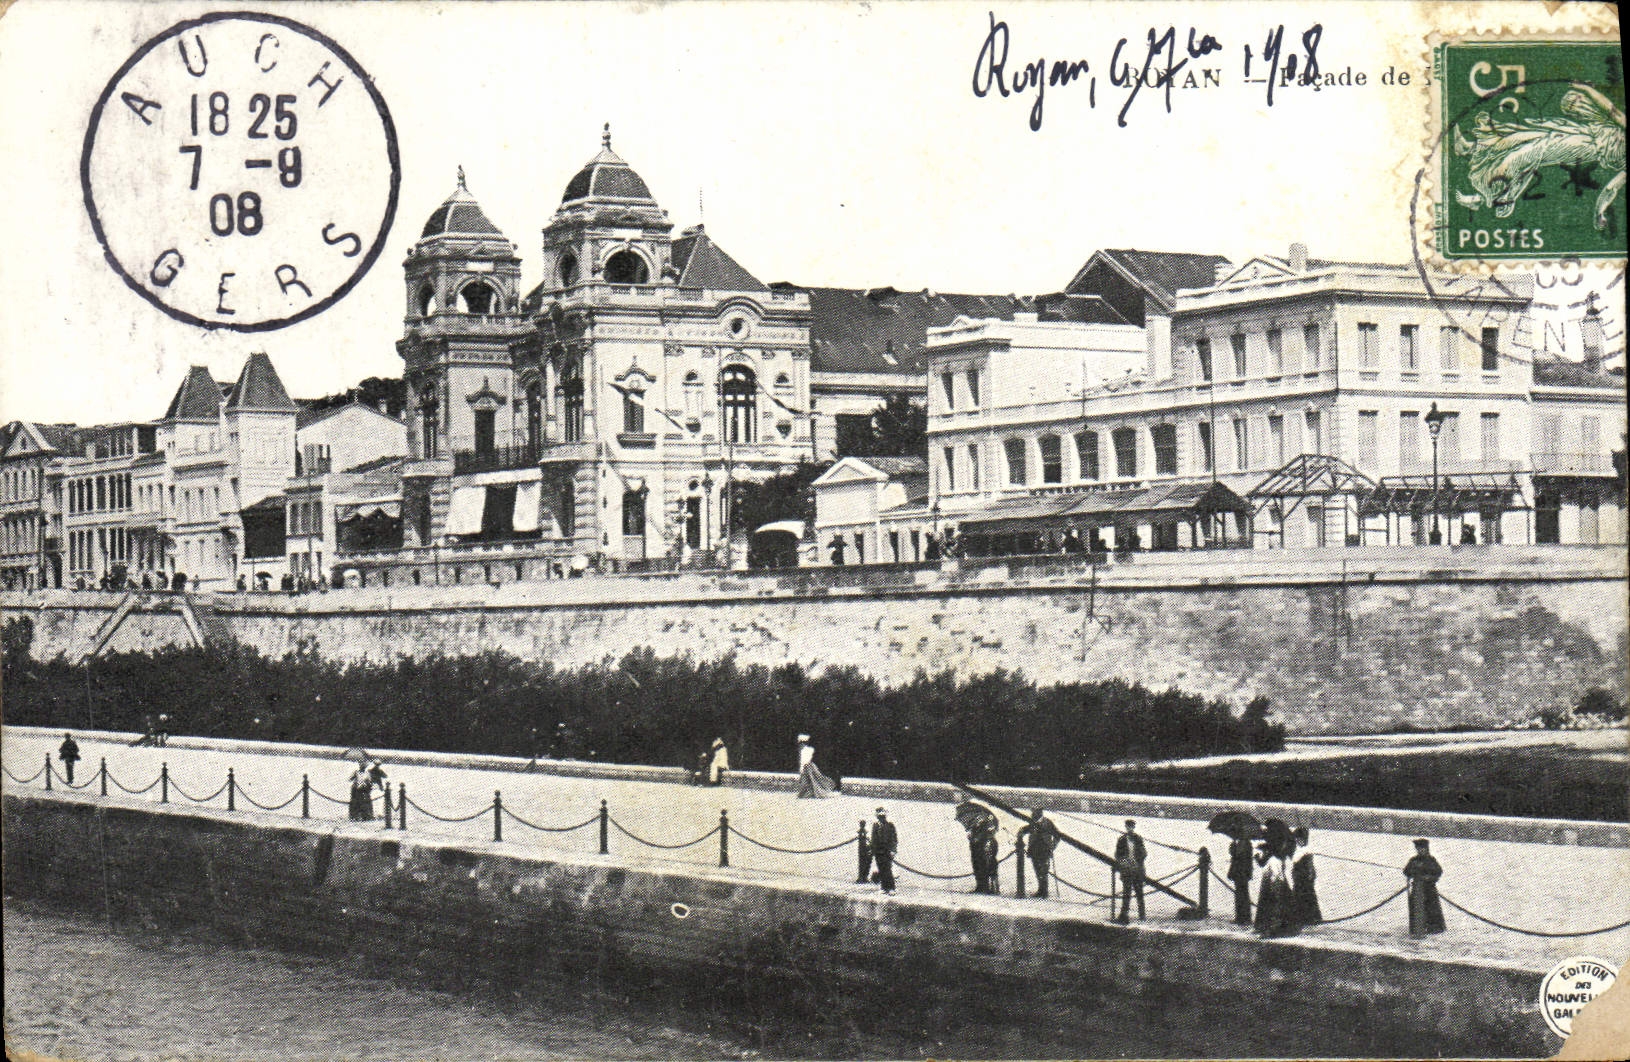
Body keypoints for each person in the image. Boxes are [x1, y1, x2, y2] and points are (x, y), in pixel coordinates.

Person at [1403, 838, 1446, 936]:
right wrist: (1412, 872)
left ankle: (1434, 929)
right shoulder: (1413, 860)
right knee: (1417, 910)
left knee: (1432, 910)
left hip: (1429, 890)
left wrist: (1429, 877)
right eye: (1418, 849)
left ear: (1427, 849)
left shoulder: (1431, 860)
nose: (1420, 850)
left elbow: (1438, 872)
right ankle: (1417, 928)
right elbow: (1406, 871)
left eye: (1422, 848)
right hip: (1417, 890)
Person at [1016, 808, 1059, 899]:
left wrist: (1052, 846)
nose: (1032, 815)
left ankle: (1044, 892)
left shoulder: (1048, 823)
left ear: (1040, 814)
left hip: (1044, 850)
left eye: (1034, 814)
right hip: (1034, 850)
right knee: (1037, 870)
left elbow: (1057, 835)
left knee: (1043, 871)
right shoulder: (1033, 822)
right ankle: (1040, 890)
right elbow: (1026, 829)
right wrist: (1021, 832)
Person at [1114, 819, 1147, 922]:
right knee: (1126, 893)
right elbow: (1117, 854)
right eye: (1128, 827)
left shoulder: (1138, 839)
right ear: (1126, 827)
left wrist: (1136, 861)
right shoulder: (1121, 840)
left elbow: (1144, 854)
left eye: (1131, 827)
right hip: (1127, 870)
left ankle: (1142, 916)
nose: (1129, 828)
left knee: (1139, 893)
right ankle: (1124, 915)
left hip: (1137, 870)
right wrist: (1124, 861)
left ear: (1133, 827)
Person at [1290, 826, 1322, 927]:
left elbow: (1310, 868)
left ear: (1303, 840)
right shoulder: (1301, 851)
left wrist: (1308, 877)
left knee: (1305, 898)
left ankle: (1307, 918)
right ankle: (1305, 918)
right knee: (1303, 898)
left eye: (1299, 840)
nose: (1297, 842)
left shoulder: (1305, 852)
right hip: (1299, 879)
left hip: (1303, 880)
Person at [964, 812, 1000, 895]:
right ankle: (980, 886)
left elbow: (988, 835)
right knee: (977, 866)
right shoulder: (974, 824)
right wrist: (971, 838)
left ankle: (988, 887)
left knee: (986, 866)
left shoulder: (988, 823)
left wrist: (977, 838)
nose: (978, 818)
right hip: (976, 848)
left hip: (985, 848)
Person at [795, 734, 836, 798]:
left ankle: (808, 793)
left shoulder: (806, 750)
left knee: (811, 780)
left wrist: (802, 768)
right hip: (809, 766)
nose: (800, 745)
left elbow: (804, 761)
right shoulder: (807, 750)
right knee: (811, 780)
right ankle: (807, 793)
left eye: (801, 743)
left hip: (808, 766)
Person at [1227, 835, 1256, 925]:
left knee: (1241, 894)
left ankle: (1242, 918)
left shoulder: (1244, 843)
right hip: (1243, 873)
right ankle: (1242, 917)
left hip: (1241, 872)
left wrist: (1233, 847)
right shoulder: (1245, 843)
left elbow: (1237, 855)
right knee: (1242, 894)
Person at [869, 807, 897, 895]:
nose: (881, 818)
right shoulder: (875, 825)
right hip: (878, 851)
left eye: (883, 816)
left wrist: (893, 850)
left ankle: (891, 888)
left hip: (887, 851)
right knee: (881, 869)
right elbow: (873, 839)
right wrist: (872, 850)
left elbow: (894, 839)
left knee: (888, 869)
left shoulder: (890, 825)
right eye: (879, 816)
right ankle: (884, 887)